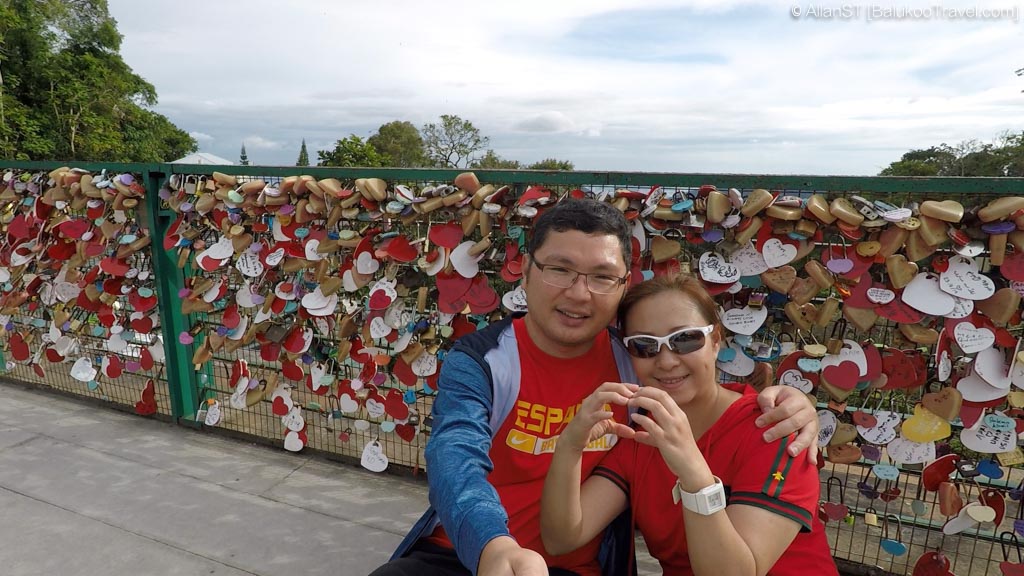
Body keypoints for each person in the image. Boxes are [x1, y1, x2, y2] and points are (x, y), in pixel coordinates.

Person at [371, 198, 819, 576]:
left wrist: (798, 402)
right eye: (559, 270)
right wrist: (494, 546)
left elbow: (703, 385)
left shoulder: (636, 363)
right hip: (469, 554)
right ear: (526, 272)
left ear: (623, 285)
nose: (579, 293)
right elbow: (455, 460)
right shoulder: (484, 361)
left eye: (602, 277)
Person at [540, 273, 837, 575]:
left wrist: (694, 474)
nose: (666, 361)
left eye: (685, 339)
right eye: (644, 345)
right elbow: (562, 537)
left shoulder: (775, 428)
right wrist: (569, 446)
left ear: (716, 341)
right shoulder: (639, 436)